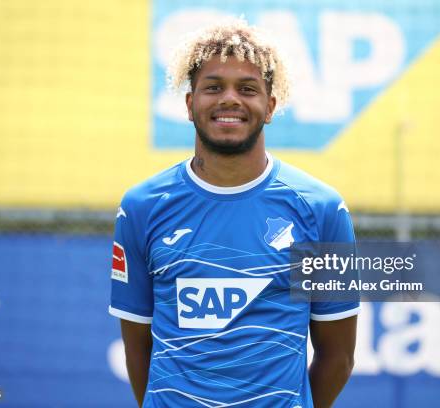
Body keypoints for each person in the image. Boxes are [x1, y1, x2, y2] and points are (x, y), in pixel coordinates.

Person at [109, 18, 358, 408]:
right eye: (213, 87)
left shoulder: (324, 210)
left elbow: (339, 358)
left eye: (247, 89)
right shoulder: (140, 207)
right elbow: (137, 350)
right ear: (190, 104)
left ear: (271, 106)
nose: (229, 99)